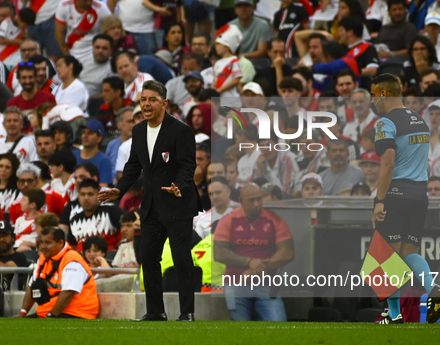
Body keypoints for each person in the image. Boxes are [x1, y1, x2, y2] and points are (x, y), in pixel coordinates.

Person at [98, 80, 202, 322]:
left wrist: (180, 186)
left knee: (181, 258)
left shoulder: (181, 130)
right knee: (148, 258)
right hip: (151, 206)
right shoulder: (138, 130)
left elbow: (188, 166)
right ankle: (156, 311)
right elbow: (133, 167)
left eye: (152, 100)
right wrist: (118, 190)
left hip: (178, 204)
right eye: (143, 100)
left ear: (164, 103)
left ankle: (187, 312)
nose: (146, 104)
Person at [370, 73, 440, 324]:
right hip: (419, 195)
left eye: (373, 95)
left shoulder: (385, 123)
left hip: (396, 194)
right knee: (409, 250)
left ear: (383, 94)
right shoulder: (420, 121)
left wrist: (379, 201)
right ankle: (433, 289)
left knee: (385, 256)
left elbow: (388, 163)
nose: (372, 101)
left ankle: (394, 315)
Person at [213, 183, 294, 321]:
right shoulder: (228, 220)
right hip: (236, 283)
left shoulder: (274, 220)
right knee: (242, 330)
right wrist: (249, 261)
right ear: (241, 201)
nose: (256, 204)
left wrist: (256, 269)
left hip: (267, 284)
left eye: (259, 199)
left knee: (279, 326)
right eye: (251, 200)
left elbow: (287, 252)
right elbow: (219, 253)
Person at [16, 227, 99, 319]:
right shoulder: (43, 258)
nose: (43, 246)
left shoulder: (72, 260)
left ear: (60, 243)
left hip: (76, 313)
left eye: (48, 243)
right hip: (49, 312)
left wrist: (51, 315)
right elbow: (33, 286)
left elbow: (68, 292)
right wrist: (22, 313)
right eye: (41, 242)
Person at [68, 179, 122, 251]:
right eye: (83, 194)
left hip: (109, 259)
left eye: (90, 194)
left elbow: (129, 228)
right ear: (78, 197)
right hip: (81, 260)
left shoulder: (111, 212)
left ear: (99, 195)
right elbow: (72, 247)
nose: (86, 198)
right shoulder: (74, 220)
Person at [74, 119, 113, 187]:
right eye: (83, 132)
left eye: (90, 133)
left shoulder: (104, 161)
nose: (85, 136)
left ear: (99, 138)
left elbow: (103, 188)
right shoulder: (72, 155)